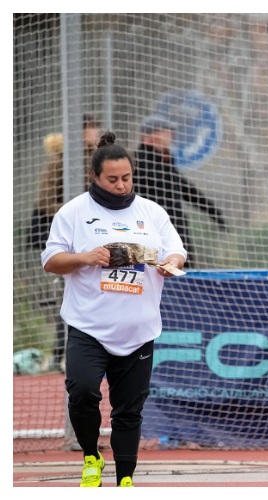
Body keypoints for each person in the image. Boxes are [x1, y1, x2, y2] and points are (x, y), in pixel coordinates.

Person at [41, 131, 187, 487]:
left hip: (138, 329)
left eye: (126, 178)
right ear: (95, 177)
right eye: (112, 179)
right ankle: (92, 455)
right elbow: (51, 260)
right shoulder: (73, 212)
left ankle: (125, 480)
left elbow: (177, 251)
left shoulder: (151, 212)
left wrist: (170, 262)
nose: (121, 185)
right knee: (83, 391)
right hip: (88, 326)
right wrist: (84, 257)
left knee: (129, 410)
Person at [30, 114, 101, 372]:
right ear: (79, 131)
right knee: (66, 296)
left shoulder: (96, 159)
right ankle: (62, 352)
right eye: (90, 127)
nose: (95, 131)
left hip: (86, 238)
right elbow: (44, 201)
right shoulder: (61, 160)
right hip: (60, 240)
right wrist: (73, 211)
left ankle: (84, 350)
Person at [134, 114, 226, 268]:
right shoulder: (140, 163)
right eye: (166, 131)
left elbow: (186, 189)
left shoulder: (166, 161)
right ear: (150, 136)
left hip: (175, 229)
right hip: (154, 233)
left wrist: (212, 211)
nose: (171, 135)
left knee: (183, 271)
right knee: (158, 272)